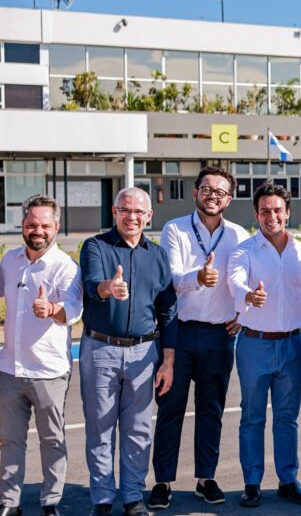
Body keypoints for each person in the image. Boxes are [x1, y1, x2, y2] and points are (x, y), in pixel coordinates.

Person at [148, 167, 250, 509]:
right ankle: (162, 481)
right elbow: (171, 278)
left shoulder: (239, 234)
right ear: (195, 192)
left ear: (229, 199)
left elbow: (245, 280)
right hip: (179, 331)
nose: (213, 196)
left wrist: (242, 315)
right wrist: (199, 277)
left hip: (219, 335)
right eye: (207, 189)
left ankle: (206, 478)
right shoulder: (175, 229)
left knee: (211, 410)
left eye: (220, 192)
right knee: (170, 408)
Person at [80, 187, 178, 516]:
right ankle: (103, 499)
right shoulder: (96, 246)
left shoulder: (158, 254)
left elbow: (168, 310)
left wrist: (168, 360)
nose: (132, 216)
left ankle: (133, 496)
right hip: (100, 350)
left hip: (144, 353)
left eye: (139, 211)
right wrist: (109, 287)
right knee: (100, 427)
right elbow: (93, 285)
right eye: (125, 209)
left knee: (138, 429)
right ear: (114, 211)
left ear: (149, 216)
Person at [227, 181, 301, 509]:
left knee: (287, 417)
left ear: (287, 212)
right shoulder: (243, 252)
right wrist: (247, 295)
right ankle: (251, 482)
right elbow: (234, 281)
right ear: (256, 214)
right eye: (265, 211)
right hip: (253, 345)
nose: (271, 216)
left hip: (292, 345)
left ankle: (288, 479)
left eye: (277, 210)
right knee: (252, 415)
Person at [0, 195, 83, 516]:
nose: (38, 230)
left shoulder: (65, 267)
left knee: (52, 440)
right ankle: (9, 502)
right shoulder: (9, 260)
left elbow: (74, 310)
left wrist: (51, 309)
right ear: (22, 226)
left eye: (44, 225)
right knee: (9, 441)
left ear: (56, 227)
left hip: (49, 371)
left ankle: (50, 502)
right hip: (9, 369)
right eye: (31, 224)